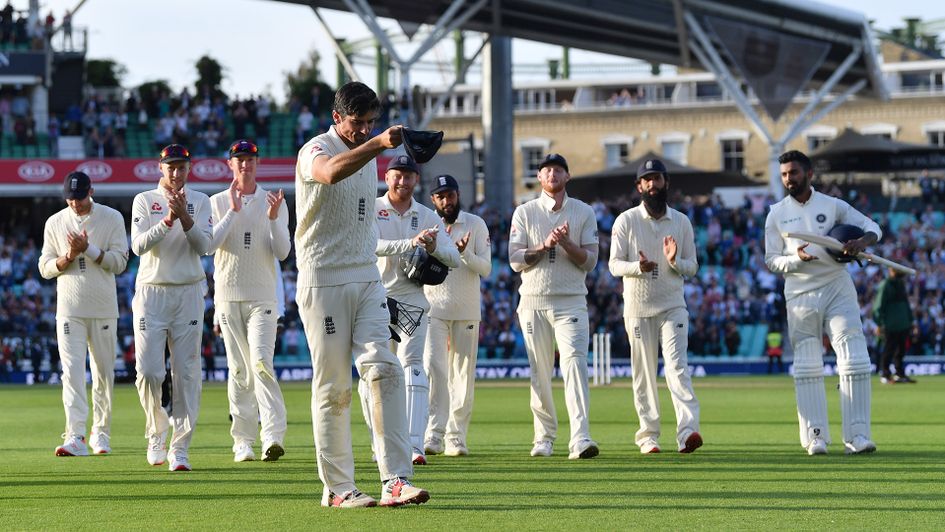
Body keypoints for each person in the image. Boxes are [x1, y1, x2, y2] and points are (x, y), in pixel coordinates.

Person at [295, 81, 429, 508]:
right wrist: (375, 143)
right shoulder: (314, 149)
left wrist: (372, 144)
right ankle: (337, 489)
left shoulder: (367, 152)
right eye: (357, 122)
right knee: (334, 387)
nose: (364, 129)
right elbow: (330, 172)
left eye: (371, 123)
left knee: (385, 368)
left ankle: (395, 479)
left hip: (367, 276)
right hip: (324, 279)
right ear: (337, 118)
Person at [764, 150, 881, 456]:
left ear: (809, 174)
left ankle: (857, 435)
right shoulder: (776, 212)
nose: (789, 178)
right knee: (807, 365)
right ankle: (815, 436)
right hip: (800, 293)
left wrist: (860, 243)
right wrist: (795, 259)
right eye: (785, 174)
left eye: (794, 173)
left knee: (855, 357)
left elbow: (873, 228)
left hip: (837, 285)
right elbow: (771, 260)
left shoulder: (833, 206)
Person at [364, 155, 460, 466]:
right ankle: (380, 442)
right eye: (397, 175)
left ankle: (415, 445)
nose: (402, 181)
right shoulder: (372, 208)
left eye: (408, 176)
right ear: (387, 177)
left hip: (412, 299)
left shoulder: (427, 215)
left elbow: (453, 259)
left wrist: (432, 248)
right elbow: (370, 246)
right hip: (374, 298)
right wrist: (410, 243)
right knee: (375, 372)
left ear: (416, 180)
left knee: (413, 366)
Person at [508, 153, 600, 460]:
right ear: (539, 176)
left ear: (567, 176)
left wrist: (566, 244)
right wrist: (544, 245)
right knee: (540, 370)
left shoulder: (583, 211)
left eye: (558, 170)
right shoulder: (524, 212)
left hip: (571, 300)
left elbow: (590, 261)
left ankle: (581, 438)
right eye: (547, 170)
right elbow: (515, 260)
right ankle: (544, 437)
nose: (552, 174)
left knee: (575, 364)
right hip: (533, 301)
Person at [608, 158, 702, 454]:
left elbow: (693, 267)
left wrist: (674, 261)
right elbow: (613, 265)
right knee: (644, 372)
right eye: (646, 180)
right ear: (639, 186)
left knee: (678, 368)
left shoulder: (681, 221)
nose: (652, 184)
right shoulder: (625, 220)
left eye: (657, 178)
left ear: (666, 183)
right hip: (638, 308)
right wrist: (639, 266)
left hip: (673, 305)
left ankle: (688, 433)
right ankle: (648, 436)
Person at [208, 139, 291, 462]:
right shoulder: (217, 202)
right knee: (239, 370)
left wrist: (272, 218)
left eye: (250, 160)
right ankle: (242, 440)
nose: (245, 165)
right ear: (230, 164)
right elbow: (209, 245)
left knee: (261, 364)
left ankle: (272, 435)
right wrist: (232, 211)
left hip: (262, 297)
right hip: (228, 297)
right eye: (239, 160)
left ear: (258, 163)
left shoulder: (274, 201)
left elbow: (282, 252)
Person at [130, 144, 212, 471]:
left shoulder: (201, 201)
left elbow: (205, 246)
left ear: (188, 169)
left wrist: (186, 217)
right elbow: (137, 246)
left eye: (181, 168)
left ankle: (180, 448)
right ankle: (156, 431)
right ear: (160, 168)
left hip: (189, 291)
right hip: (152, 292)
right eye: (170, 168)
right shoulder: (144, 200)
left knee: (187, 373)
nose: (176, 174)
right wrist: (167, 219)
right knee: (149, 372)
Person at [39, 171, 128, 457]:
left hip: (102, 308)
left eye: (80, 197)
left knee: (103, 374)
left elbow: (119, 263)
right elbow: (45, 267)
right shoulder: (55, 222)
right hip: (69, 309)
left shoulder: (112, 217)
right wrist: (67, 257)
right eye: (70, 198)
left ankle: (100, 433)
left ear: (92, 191)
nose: (75, 204)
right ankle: (75, 434)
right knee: (72, 373)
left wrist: (88, 249)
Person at [422, 174, 491, 457]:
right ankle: (433, 434)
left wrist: (464, 254)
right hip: (432, 308)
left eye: (450, 195)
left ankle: (456, 436)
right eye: (440, 196)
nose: (446, 201)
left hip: (466, 309)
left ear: (458, 194)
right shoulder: (426, 222)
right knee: (434, 369)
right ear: (433, 199)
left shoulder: (475, 223)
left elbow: (485, 269)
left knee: (462, 375)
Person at [872, 267, 915, 385]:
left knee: (901, 350)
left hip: (903, 323)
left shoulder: (901, 284)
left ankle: (899, 373)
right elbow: (878, 306)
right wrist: (879, 323)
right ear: (890, 270)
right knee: (889, 350)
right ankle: (885, 374)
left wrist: (911, 321)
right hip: (890, 324)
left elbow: (906, 304)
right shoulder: (885, 285)